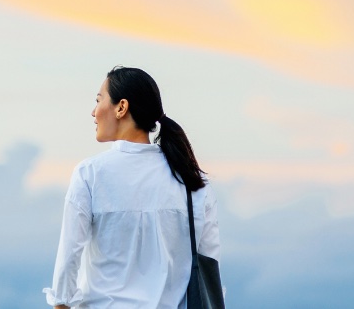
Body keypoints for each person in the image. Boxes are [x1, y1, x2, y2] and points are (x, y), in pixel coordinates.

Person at [43, 66, 221, 308]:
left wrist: (62, 303)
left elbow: (68, 262)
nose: (94, 112)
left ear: (121, 107)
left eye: (98, 100)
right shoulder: (193, 182)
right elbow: (210, 269)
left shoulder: (91, 174)